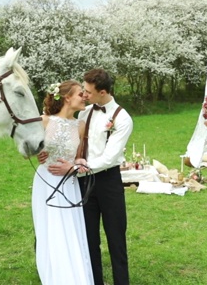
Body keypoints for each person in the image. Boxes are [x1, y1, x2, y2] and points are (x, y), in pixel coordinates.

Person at [49, 69, 133, 285]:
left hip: (108, 182)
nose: (84, 95)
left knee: (116, 238)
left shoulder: (122, 118)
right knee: (89, 239)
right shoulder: (84, 113)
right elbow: (74, 142)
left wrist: (75, 169)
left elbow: (109, 157)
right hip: (83, 182)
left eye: (87, 92)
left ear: (102, 92)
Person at [32, 80, 93, 285]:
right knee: (50, 228)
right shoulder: (44, 121)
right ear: (67, 97)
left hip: (69, 183)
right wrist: (37, 153)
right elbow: (25, 149)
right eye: (80, 94)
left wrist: (78, 164)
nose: (84, 96)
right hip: (46, 181)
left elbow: (77, 157)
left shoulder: (81, 125)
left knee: (71, 228)